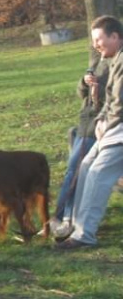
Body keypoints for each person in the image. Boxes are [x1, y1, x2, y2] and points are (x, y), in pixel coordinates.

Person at [55, 15, 123, 250]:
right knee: (84, 166)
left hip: (119, 130)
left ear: (115, 36)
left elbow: (120, 103)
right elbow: (110, 98)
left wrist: (106, 124)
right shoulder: (114, 59)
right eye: (94, 40)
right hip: (113, 127)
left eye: (99, 39)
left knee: (97, 173)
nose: (96, 45)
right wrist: (101, 119)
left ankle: (85, 235)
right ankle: (74, 224)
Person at [51, 60, 109, 239]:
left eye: (100, 39)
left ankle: (65, 218)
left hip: (99, 125)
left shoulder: (117, 62)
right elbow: (82, 93)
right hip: (86, 123)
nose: (97, 44)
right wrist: (85, 82)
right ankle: (64, 217)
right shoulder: (100, 60)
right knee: (74, 170)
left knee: (76, 171)